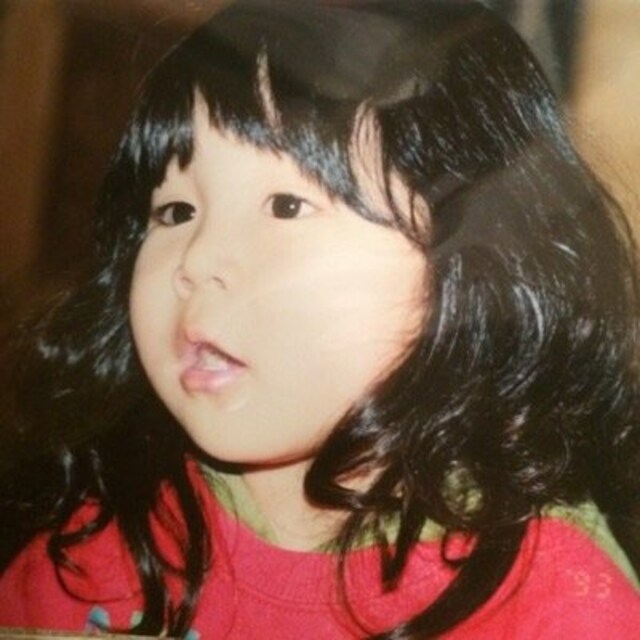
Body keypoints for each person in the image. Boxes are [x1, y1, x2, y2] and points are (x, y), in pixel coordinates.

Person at [0, 1, 638, 637]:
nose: (196, 260)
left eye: (286, 205)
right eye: (175, 212)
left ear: (475, 270)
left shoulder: (558, 607)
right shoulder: (89, 547)